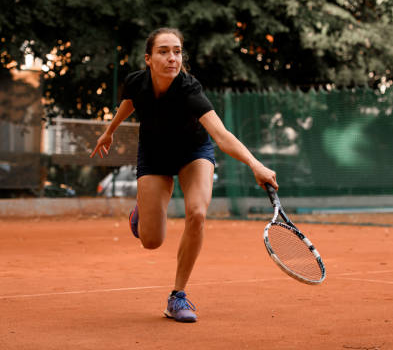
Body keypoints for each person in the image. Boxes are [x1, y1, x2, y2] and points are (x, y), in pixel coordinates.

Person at [91, 27, 278, 323]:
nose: (172, 58)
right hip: (154, 156)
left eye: (177, 51)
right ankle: (143, 208)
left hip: (194, 153)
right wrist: (109, 132)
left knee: (197, 214)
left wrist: (255, 164)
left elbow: (222, 135)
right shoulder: (137, 83)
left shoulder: (189, 89)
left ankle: (177, 296)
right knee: (151, 241)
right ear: (148, 58)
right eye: (163, 51)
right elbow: (128, 104)